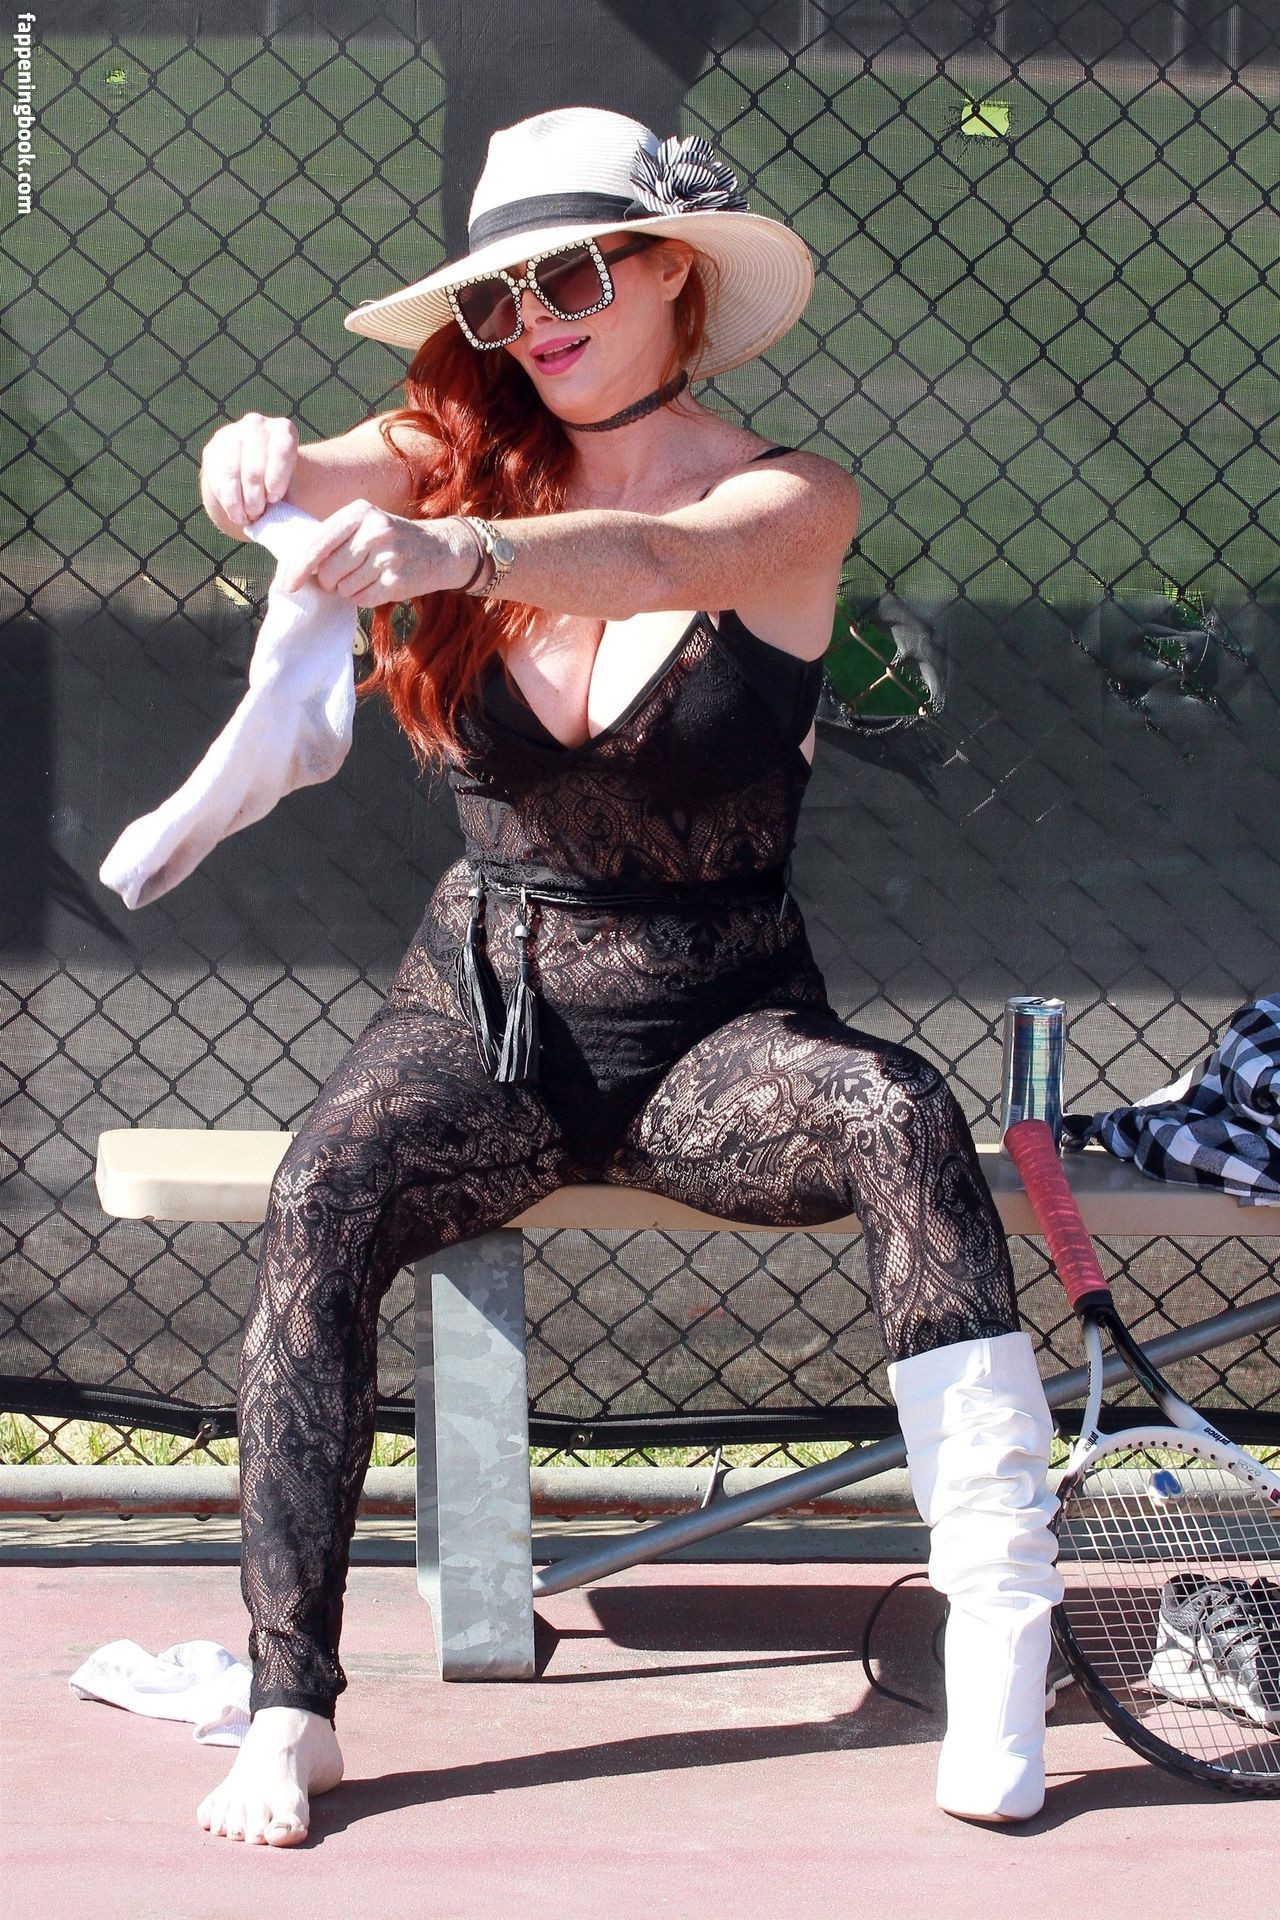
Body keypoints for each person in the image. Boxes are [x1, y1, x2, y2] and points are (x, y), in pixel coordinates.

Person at [194, 106, 1062, 1847]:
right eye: (501, 297)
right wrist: (256, 453)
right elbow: (330, 475)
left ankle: (1001, 1635)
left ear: (672, 270)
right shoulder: (453, 447)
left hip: (718, 1038)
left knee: (899, 1111)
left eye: (575, 276)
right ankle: (290, 1704)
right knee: (326, 1182)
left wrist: (465, 554)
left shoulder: (792, 495)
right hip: (480, 1022)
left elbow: (668, 559)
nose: (535, 322)